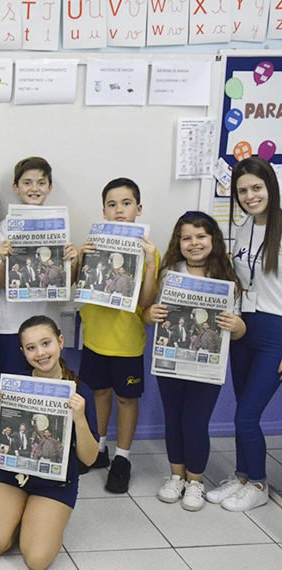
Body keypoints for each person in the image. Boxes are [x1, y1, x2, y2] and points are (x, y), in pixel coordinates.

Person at [0, 315, 98, 569]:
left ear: (60, 342)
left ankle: (42, 521)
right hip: (13, 475)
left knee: (37, 560)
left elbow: (89, 458)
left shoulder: (79, 390)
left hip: (55, 481)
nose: (40, 353)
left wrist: (80, 419)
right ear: (23, 351)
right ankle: (22, 517)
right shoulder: (11, 384)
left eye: (46, 343)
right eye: (31, 347)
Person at [144, 211, 247, 512]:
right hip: (171, 363)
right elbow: (150, 309)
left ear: (213, 239)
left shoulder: (227, 278)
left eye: (201, 236)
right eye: (186, 237)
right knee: (173, 419)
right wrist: (151, 314)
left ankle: (196, 481)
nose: (194, 243)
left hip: (207, 367)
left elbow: (240, 330)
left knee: (195, 422)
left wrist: (235, 325)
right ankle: (176, 476)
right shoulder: (170, 273)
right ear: (179, 242)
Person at [208, 157, 282, 512]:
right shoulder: (244, 228)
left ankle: (258, 483)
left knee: (247, 416)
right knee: (241, 408)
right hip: (243, 328)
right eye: (242, 191)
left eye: (256, 187)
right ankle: (240, 475)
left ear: (270, 186)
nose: (250, 196)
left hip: (275, 332)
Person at [77, 178, 159, 494]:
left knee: (126, 398)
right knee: (99, 392)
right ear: (104, 211)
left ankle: (123, 458)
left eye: (126, 203)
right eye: (112, 204)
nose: (119, 210)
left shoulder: (150, 249)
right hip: (95, 334)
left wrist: (150, 263)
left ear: (138, 209)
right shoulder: (94, 243)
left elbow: (147, 301)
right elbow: (77, 286)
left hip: (126, 340)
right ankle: (99, 448)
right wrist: (80, 259)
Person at [0, 158, 79, 382]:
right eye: (27, 182)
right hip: (10, 326)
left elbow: (65, 283)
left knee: (49, 389)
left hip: (48, 325)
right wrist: (4, 260)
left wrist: (72, 262)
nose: (34, 188)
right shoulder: (5, 226)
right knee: (11, 391)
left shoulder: (59, 225)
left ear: (49, 187)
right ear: (16, 187)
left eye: (41, 183)